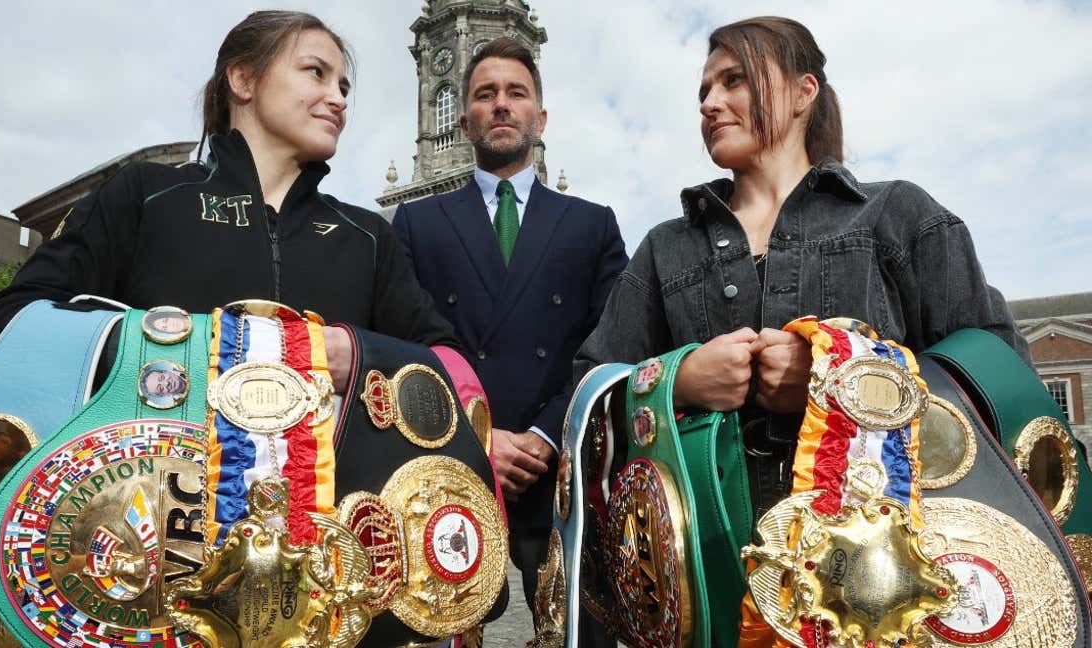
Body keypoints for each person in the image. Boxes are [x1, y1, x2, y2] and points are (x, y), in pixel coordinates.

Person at [575, 16, 1029, 518]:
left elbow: (997, 369)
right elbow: (589, 390)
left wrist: (836, 378)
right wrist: (673, 382)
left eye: (734, 79)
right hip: (715, 572)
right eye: (703, 91)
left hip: (879, 563)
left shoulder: (898, 214)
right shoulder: (665, 248)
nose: (708, 104)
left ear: (802, 91)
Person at [0, 11, 457, 391]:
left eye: (343, 86)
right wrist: (176, 349)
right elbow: (4, 326)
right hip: (150, 506)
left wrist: (361, 355)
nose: (338, 98)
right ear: (242, 80)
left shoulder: (367, 235)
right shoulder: (147, 195)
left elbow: (450, 365)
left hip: (320, 513)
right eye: (316, 73)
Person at [392, 37, 627, 617]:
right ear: (464, 118)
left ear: (539, 117)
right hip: (449, 466)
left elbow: (611, 345)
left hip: (561, 474)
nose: (501, 105)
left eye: (516, 93)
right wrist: (475, 436)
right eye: (483, 94)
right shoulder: (415, 222)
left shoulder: (592, 224)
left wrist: (544, 437)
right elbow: (399, 345)